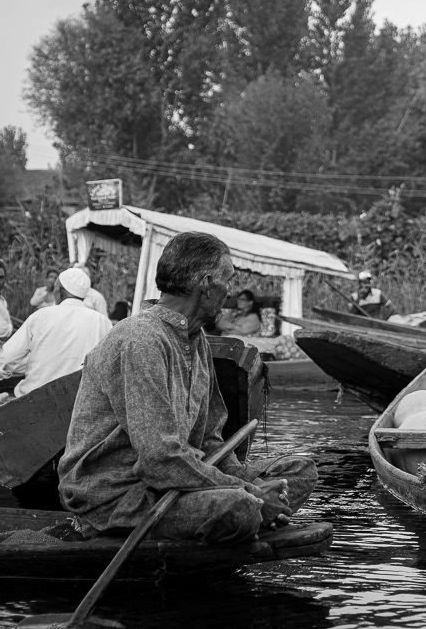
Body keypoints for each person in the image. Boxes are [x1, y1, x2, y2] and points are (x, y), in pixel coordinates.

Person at [58, 232, 316, 544]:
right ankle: (254, 517)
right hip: (118, 495)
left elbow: (210, 441)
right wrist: (250, 492)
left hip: (172, 481)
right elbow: (159, 460)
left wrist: (241, 480)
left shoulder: (197, 341)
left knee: (300, 470)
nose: (229, 292)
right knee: (241, 507)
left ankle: (256, 515)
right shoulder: (140, 340)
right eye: (227, 280)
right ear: (207, 283)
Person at [0, 268, 111, 398]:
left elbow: (9, 357)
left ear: (59, 290)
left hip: (35, 397)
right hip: (79, 399)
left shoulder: (41, 316)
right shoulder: (103, 322)